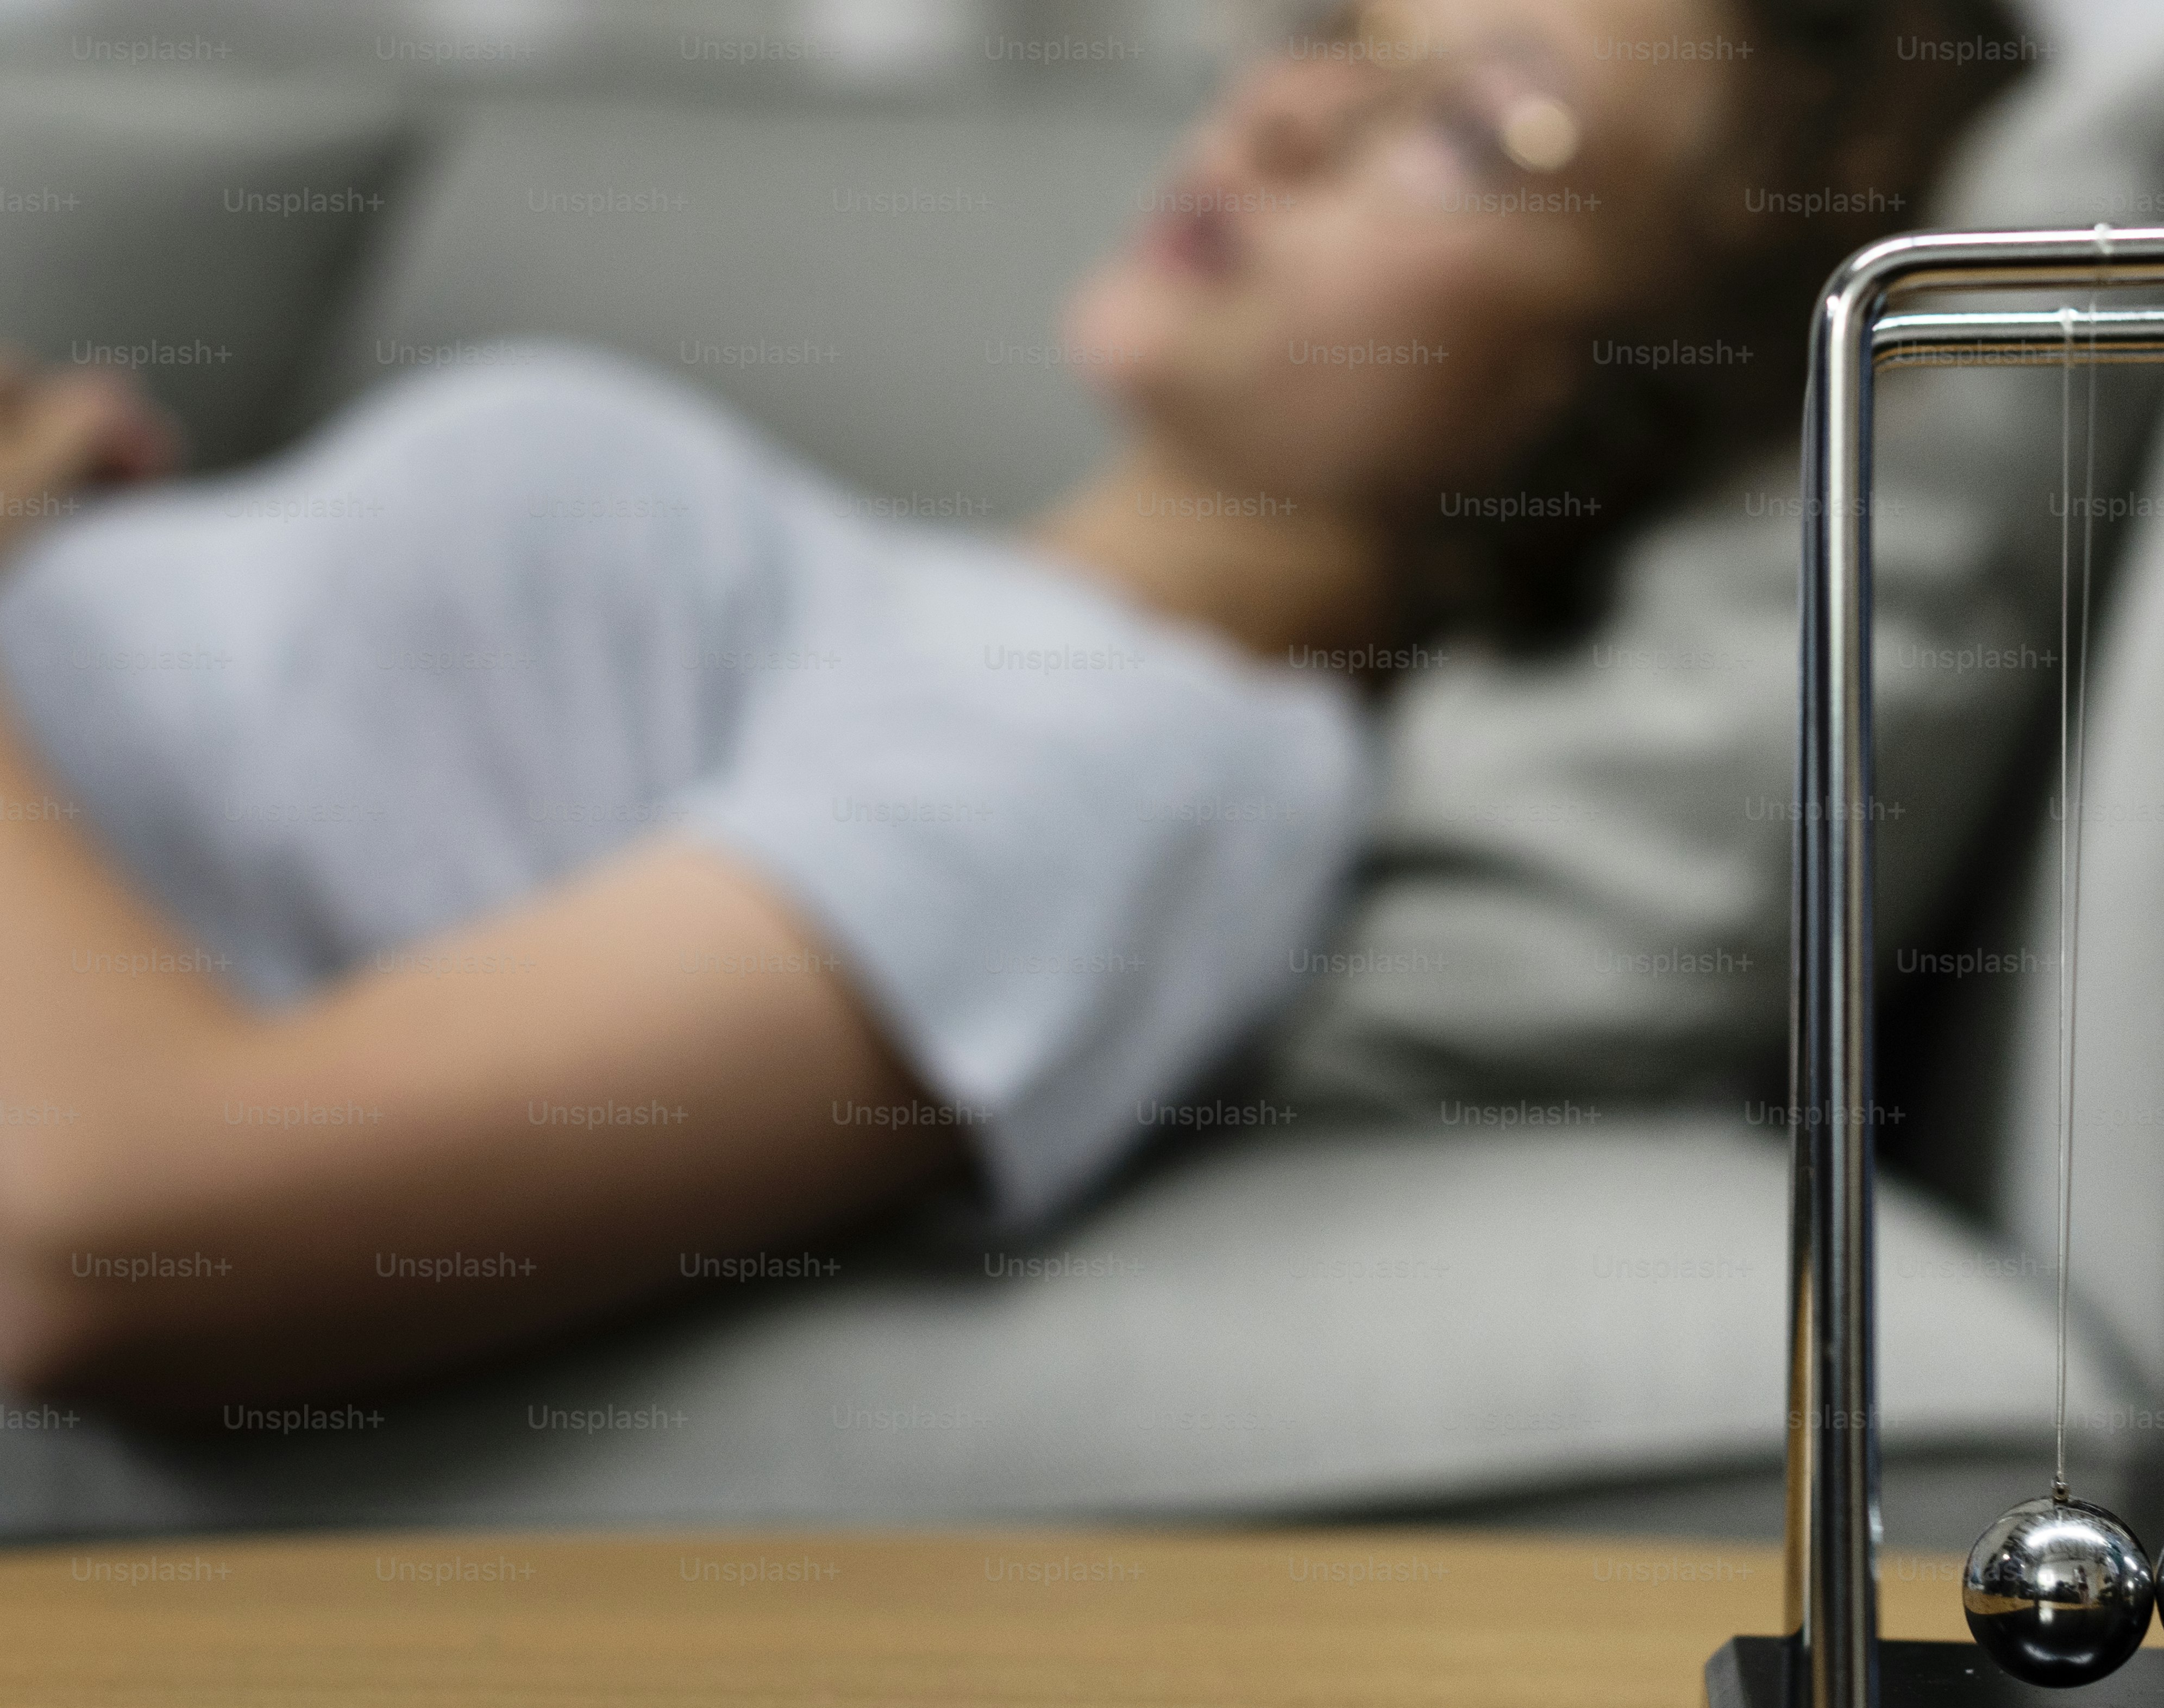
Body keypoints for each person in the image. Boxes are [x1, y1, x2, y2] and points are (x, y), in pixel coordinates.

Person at [0, 0, 2022, 1407]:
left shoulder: (1146, 765)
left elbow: (108, 1247)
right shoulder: (945, 619)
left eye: (1484, 129)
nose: (1289, 114)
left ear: (1633, 397)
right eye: (1354, 33)